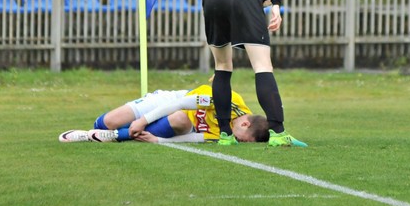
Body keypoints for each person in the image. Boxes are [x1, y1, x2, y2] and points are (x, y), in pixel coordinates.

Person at [200, 0, 306, 147]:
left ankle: (225, 135)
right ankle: (278, 132)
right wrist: (276, 5)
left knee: (222, 67)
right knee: (262, 66)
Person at [59, 84, 270, 144]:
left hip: (182, 120)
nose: (236, 141)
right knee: (106, 122)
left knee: (180, 119)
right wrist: (143, 120)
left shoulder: (230, 134)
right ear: (244, 125)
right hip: (171, 101)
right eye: (241, 140)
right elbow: (180, 103)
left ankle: (107, 136)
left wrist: (158, 140)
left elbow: (198, 137)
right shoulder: (225, 99)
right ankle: (105, 131)